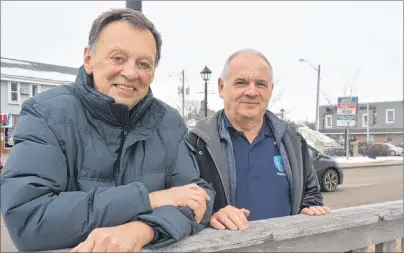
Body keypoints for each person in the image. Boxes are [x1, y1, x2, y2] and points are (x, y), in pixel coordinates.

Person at [0, 9, 215, 252]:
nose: (131, 73)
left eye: (143, 64)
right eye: (118, 58)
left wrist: (144, 230)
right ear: (89, 59)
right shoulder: (46, 114)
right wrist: (149, 199)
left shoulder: (168, 122)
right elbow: (27, 218)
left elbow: (199, 198)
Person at [187, 49, 329, 231]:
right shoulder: (197, 143)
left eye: (260, 84)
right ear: (221, 87)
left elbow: (310, 193)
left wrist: (309, 210)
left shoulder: (292, 140)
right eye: (241, 82)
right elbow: (182, 205)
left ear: (271, 90)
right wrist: (211, 216)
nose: (252, 92)